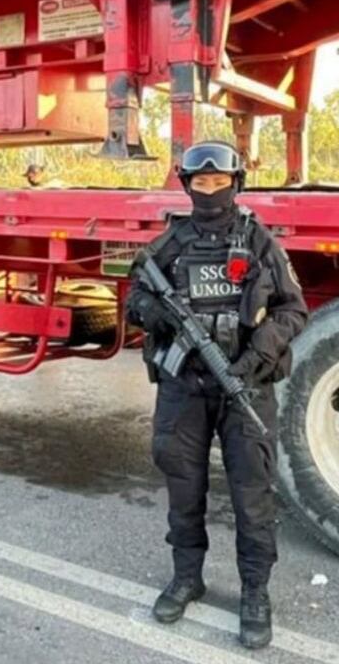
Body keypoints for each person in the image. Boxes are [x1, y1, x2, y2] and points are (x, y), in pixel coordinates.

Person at [126, 141, 308, 650]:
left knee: (253, 494)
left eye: (219, 183)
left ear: (236, 183)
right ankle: (187, 577)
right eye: (200, 184)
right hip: (184, 385)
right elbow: (134, 299)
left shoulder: (258, 241)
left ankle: (255, 592)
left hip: (244, 384)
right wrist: (153, 313)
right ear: (187, 186)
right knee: (183, 486)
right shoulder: (170, 243)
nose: (210, 191)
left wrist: (254, 359)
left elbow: (295, 311)